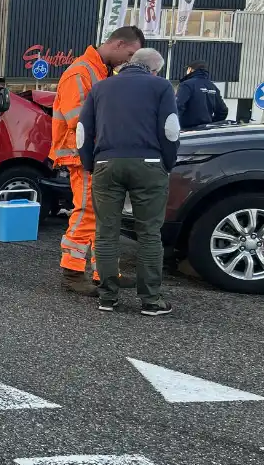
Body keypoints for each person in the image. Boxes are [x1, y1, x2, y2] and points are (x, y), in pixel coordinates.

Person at [78, 47, 178, 315]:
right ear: (154, 69)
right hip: (149, 165)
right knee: (148, 233)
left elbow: (83, 130)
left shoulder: (101, 88)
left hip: (106, 164)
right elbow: (170, 129)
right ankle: (150, 301)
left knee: (106, 232)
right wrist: (167, 163)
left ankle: (107, 297)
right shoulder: (161, 86)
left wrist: (90, 163)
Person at [50, 26, 146, 296]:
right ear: (117, 44)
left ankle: (103, 271)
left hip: (93, 155)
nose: (130, 60)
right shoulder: (81, 72)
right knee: (88, 212)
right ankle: (72, 272)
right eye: (130, 53)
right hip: (82, 156)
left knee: (103, 215)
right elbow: (79, 121)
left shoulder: (98, 71)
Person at [176, 60, 228, 129]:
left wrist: (175, 124)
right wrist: (211, 123)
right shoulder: (212, 86)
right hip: (205, 132)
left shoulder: (186, 85)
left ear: (190, 69)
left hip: (188, 130)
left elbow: (178, 106)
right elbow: (223, 110)